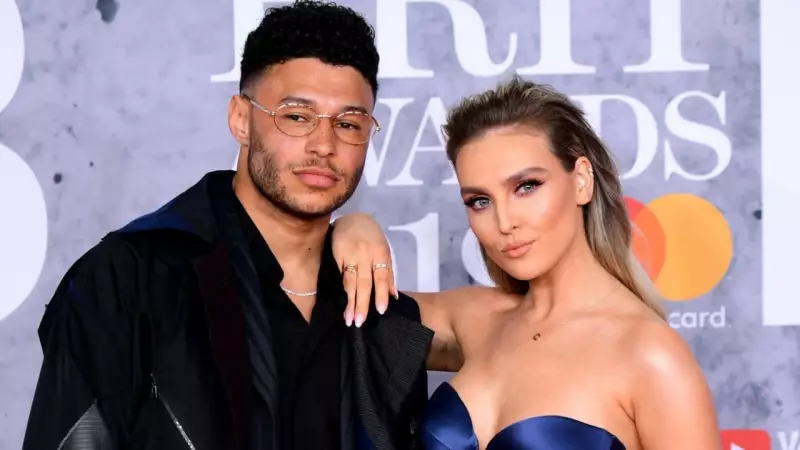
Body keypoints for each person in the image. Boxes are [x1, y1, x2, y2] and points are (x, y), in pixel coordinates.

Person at [21, 2, 441, 449]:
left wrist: (355, 223)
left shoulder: (374, 310)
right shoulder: (128, 277)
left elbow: (494, 328)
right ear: (241, 119)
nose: (324, 145)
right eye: (296, 117)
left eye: (349, 124)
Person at [336, 77, 721, 449]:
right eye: (480, 201)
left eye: (526, 187)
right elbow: (342, 315)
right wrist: (351, 226)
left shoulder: (650, 355)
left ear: (581, 181)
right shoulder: (476, 318)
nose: (505, 223)